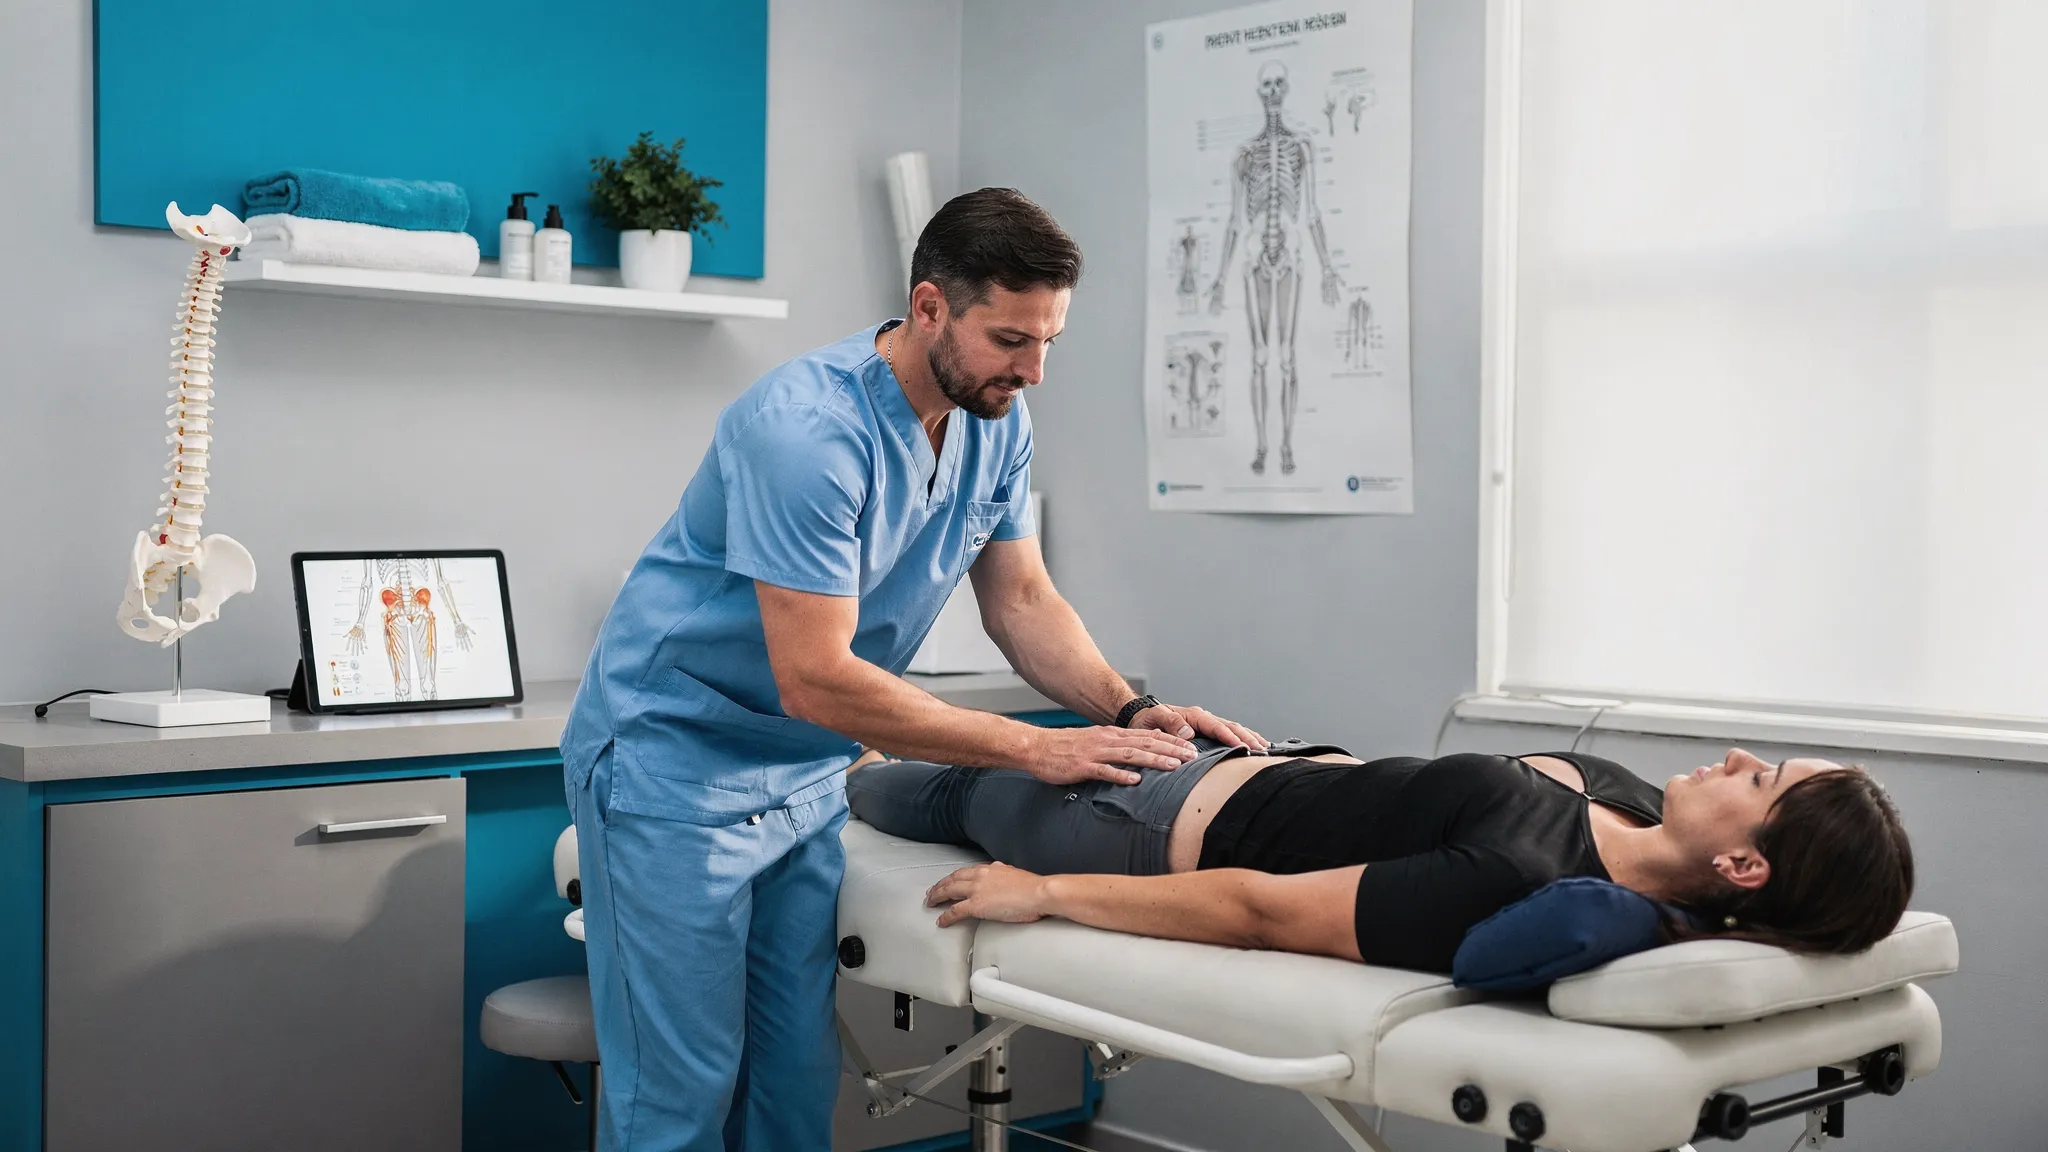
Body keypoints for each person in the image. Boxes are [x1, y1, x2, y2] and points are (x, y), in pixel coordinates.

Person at [557, 187, 1264, 1152]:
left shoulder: (994, 419)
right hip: (671, 760)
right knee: (680, 1096)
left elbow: (1020, 599)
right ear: (929, 307)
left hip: (802, 776)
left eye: (1050, 339)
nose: (1037, 369)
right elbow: (815, 677)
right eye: (1013, 339)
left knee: (793, 1089)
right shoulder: (805, 432)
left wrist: (1128, 708)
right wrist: (1032, 749)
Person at [847, 740, 1915, 973]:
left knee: (930, 786)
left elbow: (1262, 911)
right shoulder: (1633, 806)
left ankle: (823, 760)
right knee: (951, 750)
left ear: (1742, 872)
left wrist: (1046, 892)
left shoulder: (1522, 881)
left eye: (1758, 781)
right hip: (1243, 757)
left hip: (1130, 829)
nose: (1734, 759)